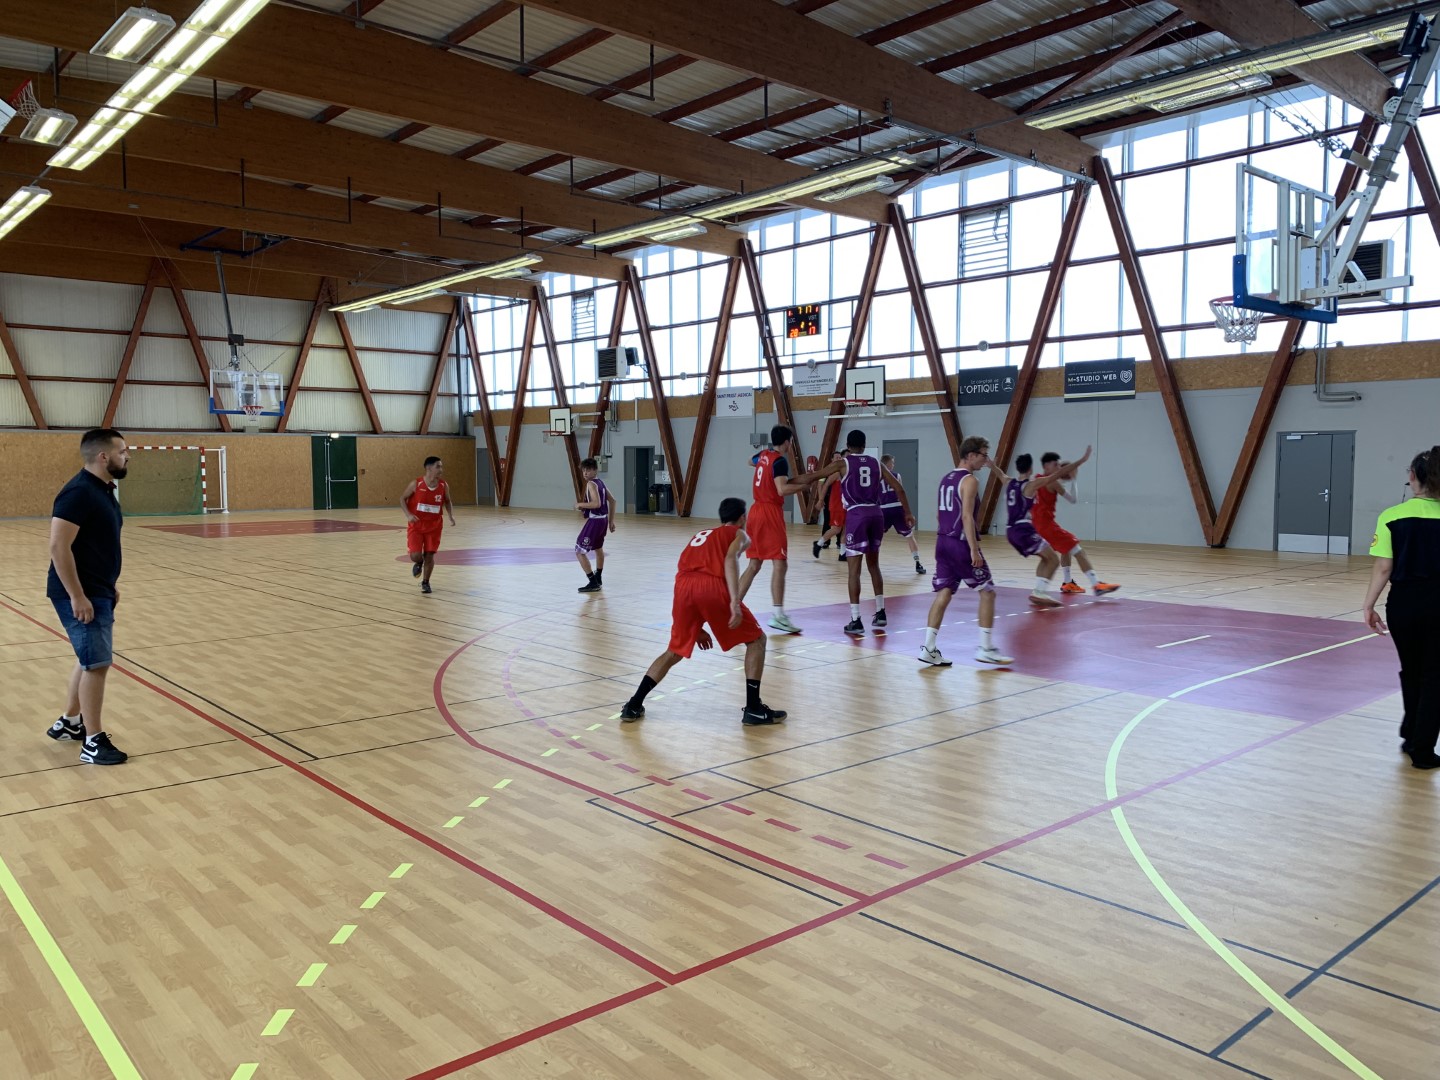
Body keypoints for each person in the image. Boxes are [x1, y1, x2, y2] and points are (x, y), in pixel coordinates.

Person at [619, 498, 787, 727]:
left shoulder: (702, 533)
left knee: (673, 652)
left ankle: (633, 705)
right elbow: (729, 560)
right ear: (742, 518)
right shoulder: (739, 535)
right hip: (711, 586)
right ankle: (754, 709)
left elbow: (690, 573)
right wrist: (735, 602)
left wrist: (696, 627)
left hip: (683, 586)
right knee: (757, 639)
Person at [44, 428, 131, 765]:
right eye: (122, 451)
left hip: (98, 590)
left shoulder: (102, 490)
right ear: (103, 456)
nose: (127, 457)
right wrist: (78, 595)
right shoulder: (78, 492)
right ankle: (93, 742)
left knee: (89, 658)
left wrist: (108, 586)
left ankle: (70, 723)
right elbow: (57, 545)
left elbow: (95, 546)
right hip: (79, 594)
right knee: (97, 664)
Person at [1362, 445, 1440, 770]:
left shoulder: (1392, 516)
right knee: (1435, 677)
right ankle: (1422, 749)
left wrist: (1369, 605)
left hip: (1403, 605)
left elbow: (1383, 567)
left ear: (1412, 477)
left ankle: (1410, 734)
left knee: (1413, 670)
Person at [919, 436, 1014, 668]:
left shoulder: (946, 479)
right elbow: (966, 517)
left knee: (944, 593)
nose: (985, 460)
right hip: (960, 544)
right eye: (983, 455)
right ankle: (985, 647)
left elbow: (940, 515)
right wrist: (974, 549)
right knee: (988, 591)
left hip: (942, 541)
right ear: (970, 455)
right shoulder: (970, 480)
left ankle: (929, 648)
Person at [738, 425, 831, 633]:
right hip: (770, 513)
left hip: (755, 511)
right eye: (791, 441)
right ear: (787, 442)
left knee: (754, 564)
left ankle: (732, 605)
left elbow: (750, 461)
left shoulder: (763, 455)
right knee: (780, 563)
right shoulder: (779, 461)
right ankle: (778, 616)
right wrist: (802, 487)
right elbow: (782, 489)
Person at [838, 430, 913, 637]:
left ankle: (856, 619)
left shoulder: (843, 463)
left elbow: (815, 477)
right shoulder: (876, 463)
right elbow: (899, 488)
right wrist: (907, 512)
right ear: (864, 444)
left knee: (854, 571)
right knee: (873, 565)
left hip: (857, 515)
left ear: (848, 444)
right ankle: (880, 612)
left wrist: (791, 482)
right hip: (876, 514)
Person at [1025, 448, 1119, 597]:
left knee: (1058, 553)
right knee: (1078, 551)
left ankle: (1056, 585)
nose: (1059, 467)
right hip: (1047, 526)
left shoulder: (1034, 480)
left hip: (1036, 527)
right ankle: (1096, 585)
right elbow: (1073, 500)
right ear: (1046, 466)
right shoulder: (1053, 483)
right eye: (1055, 464)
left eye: (1059, 465)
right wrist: (1074, 478)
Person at [1001, 454, 1061, 608]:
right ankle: (1039, 593)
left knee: (1045, 558)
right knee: (1054, 559)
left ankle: (1039, 591)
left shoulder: (1009, 482)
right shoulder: (1030, 485)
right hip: (1022, 529)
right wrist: (1080, 462)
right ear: (1030, 468)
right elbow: (1054, 476)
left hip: (1010, 531)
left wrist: (991, 465)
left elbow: (1000, 474)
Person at [400, 456, 456, 595]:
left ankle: (426, 582)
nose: (441, 470)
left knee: (430, 556)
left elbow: (447, 501)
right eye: (438, 467)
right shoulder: (416, 484)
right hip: (417, 526)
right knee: (416, 555)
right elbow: (402, 498)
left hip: (434, 526)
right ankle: (418, 563)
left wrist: (450, 515)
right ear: (428, 468)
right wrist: (408, 514)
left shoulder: (443, 485)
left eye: (441, 467)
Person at [573, 457, 616, 593]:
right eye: (584, 470)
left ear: (595, 470)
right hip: (602, 520)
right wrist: (611, 521)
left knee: (579, 551)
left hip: (595, 521)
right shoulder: (601, 483)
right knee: (598, 549)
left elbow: (596, 504)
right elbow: (613, 501)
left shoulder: (591, 484)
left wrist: (580, 504)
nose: (585, 473)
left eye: (589, 470)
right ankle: (598, 577)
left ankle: (592, 581)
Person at [880, 454, 926, 576]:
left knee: (876, 537)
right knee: (909, 536)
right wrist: (908, 512)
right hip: (896, 508)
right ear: (888, 464)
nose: (894, 465)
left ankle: (872, 564)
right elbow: (901, 492)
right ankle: (918, 563)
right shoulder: (896, 475)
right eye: (893, 463)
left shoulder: (876, 476)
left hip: (883, 509)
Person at [813, 451, 848, 561]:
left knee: (846, 529)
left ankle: (843, 553)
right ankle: (819, 544)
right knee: (836, 529)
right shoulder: (836, 472)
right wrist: (821, 499)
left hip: (847, 505)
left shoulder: (851, 471)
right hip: (837, 504)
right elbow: (824, 483)